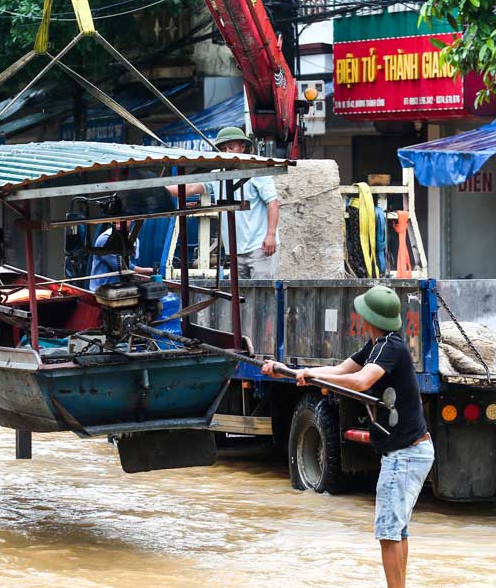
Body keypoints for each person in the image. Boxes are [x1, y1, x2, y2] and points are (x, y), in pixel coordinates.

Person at [261, 285, 432, 588]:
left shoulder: (389, 348)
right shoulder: (376, 345)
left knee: (388, 532)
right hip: (409, 452)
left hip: (406, 454)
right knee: (397, 531)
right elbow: (340, 369)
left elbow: (361, 381)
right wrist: (291, 371)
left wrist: (313, 376)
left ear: (369, 318)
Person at [167, 126, 280, 279]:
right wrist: (158, 189)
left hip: (259, 247)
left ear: (242, 147)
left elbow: (273, 203)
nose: (227, 151)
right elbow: (191, 187)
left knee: (261, 294)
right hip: (234, 250)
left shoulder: (257, 171)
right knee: (241, 297)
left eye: (231, 147)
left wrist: (271, 235)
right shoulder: (217, 176)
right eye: (223, 148)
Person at [88, 226, 154, 291]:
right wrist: (151, 271)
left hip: (119, 288)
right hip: (102, 290)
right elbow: (125, 268)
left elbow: (132, 261)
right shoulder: (105, 239)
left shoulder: (133, 238)